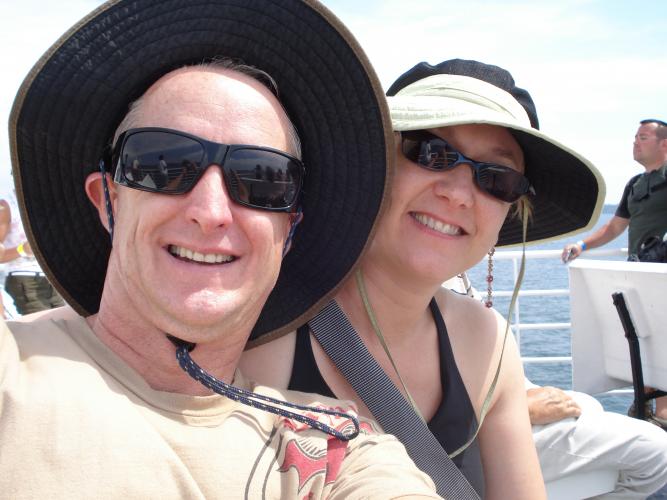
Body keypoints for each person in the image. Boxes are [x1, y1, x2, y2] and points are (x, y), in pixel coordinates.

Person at [0, 1, 442, 498]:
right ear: (108, 201)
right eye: (162, 162)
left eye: (262, 179)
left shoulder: (332, 450)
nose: (210, 210)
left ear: (287, 233)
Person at [241, 59, 605, 499]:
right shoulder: (261, 328)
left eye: (498, 178)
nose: (457, 191)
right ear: (373, 168)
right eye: (430, 151)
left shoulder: (488, 343)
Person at [562, 118, 667, 429]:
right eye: (635, 136)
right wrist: (582, 244)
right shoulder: (635, 184)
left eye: (643, 136)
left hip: (662, 278)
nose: (635, 142)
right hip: (638, 278)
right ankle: (648, 412)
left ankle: (661, 418)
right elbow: (614, 227)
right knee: (645, 346)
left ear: (664, 143)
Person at [0, 187, 64, 316]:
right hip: (23, 277)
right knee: (43, 332)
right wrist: (22, 250)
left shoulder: (45, 203)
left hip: (52, 276)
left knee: (66, 328)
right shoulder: (6, 206)